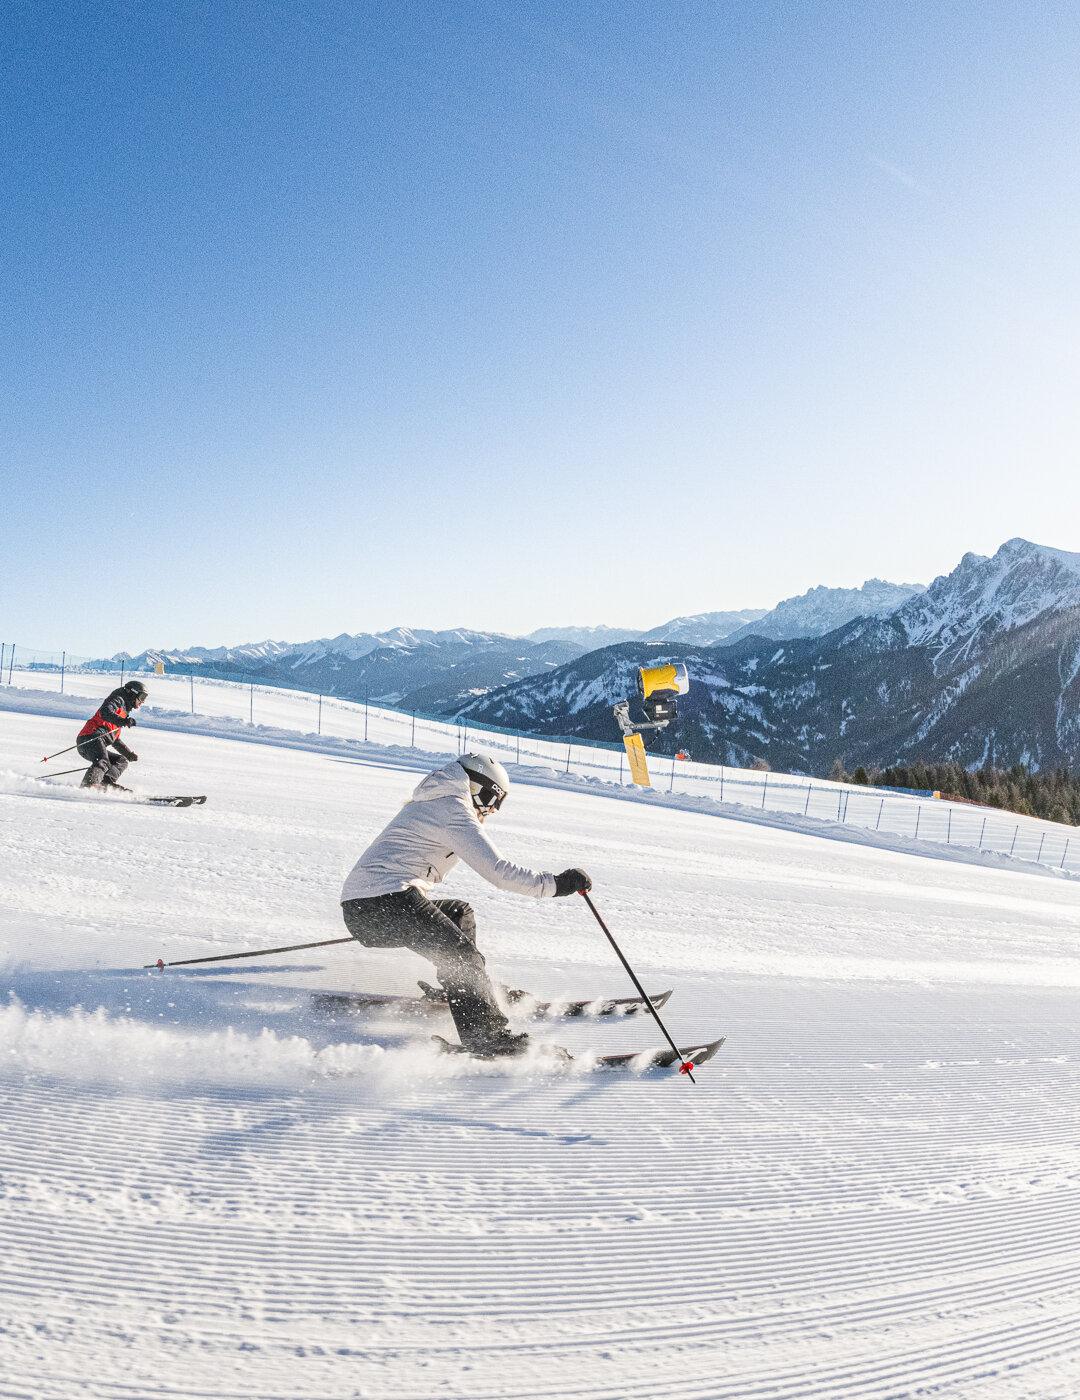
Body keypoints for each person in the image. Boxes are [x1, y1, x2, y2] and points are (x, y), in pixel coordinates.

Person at [340, 753, 592, 1058]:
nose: (492, 809)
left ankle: (467, 991)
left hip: (371, 906)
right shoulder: (452, 809)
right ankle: (487, 1036)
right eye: (490, 797)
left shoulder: (440, 800)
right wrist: (558, 884)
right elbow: (498, 871)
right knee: (460, 954)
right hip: (382, 903)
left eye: (498, 802)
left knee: (459, 914)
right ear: (473, 786)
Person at [77, 680, 148, 790]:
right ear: (133, 693)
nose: (142, 701)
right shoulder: (117, 699)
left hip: (96, 741)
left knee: (121, 761)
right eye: (142, 697)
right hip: (90, 738)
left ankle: (106, 782)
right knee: (102, 760)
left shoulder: (124, 710)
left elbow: (113, 737)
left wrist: (128, 754)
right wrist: (123, 721)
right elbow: (105, 711)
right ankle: (89, 785)